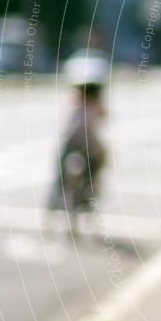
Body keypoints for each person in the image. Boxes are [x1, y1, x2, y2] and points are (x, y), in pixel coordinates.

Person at [46, 49, 109, 237]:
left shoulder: (77, 97)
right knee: (92, 169)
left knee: (61, 176)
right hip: (86, 144)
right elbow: (102, 118)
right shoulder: (93, 101)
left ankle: (55, 208)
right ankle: (87, 195)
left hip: (75, 143)